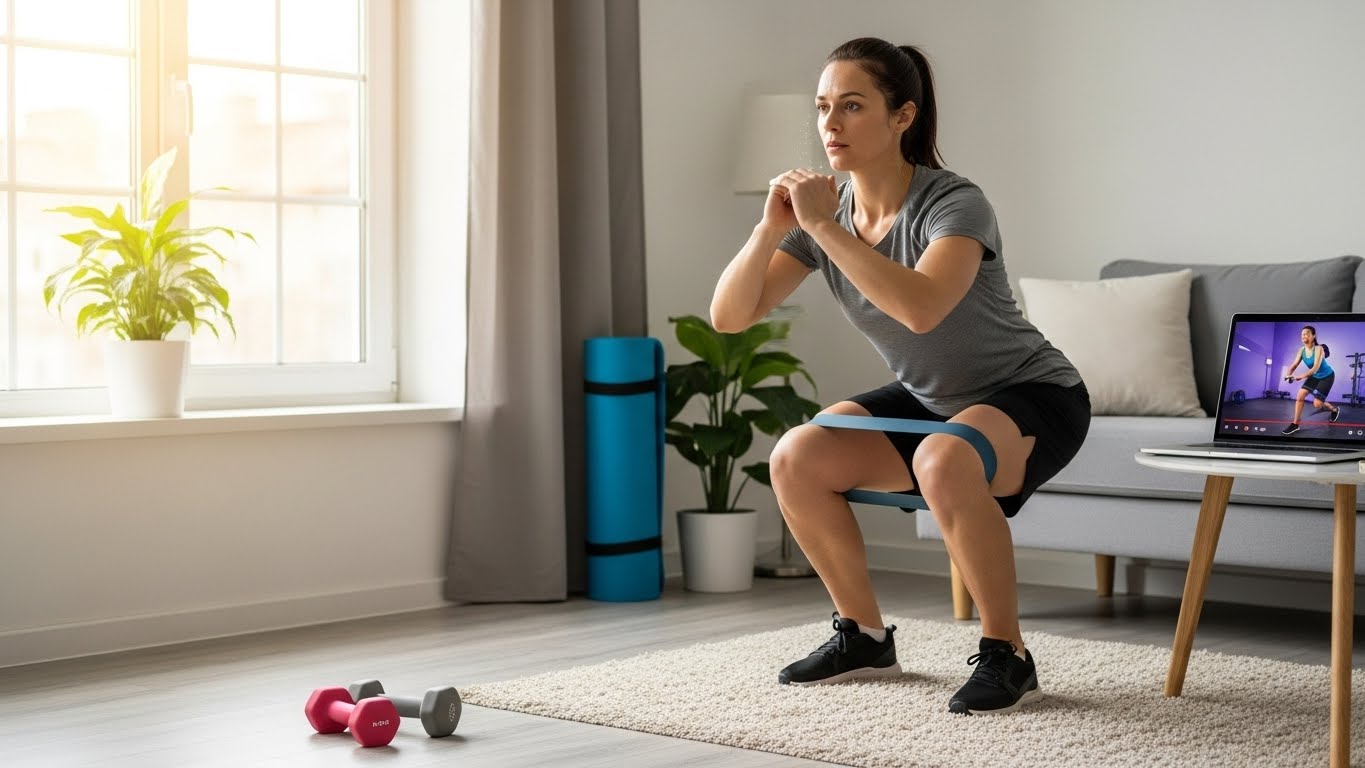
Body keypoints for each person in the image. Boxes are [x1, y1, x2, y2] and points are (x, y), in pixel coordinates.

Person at [709, 37, 1091, 716]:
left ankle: (1007, 653)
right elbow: (730, 317)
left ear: (901, 117)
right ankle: (862, 635)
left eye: (851, 106)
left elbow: (920, 309)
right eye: (823, 107)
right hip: (933, 398)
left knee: (944, 457)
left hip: (1034, 393)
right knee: (796, 455)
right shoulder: (822, 218)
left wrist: (825, 228)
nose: (830, 123)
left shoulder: (952, 203)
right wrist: (771, 228)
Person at [1281, 325, 1341, 435]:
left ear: (1313, 336)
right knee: (1300, 395)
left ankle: (1334, 410)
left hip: (1326, 376)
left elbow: (1315, 368)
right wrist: (1288, 374)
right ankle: (1295, 424)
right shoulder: (1302, 350)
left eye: (1307, 333)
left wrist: (1300, 376)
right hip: (1314, 376)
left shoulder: (1319, 348)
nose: (1304, 335)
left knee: (1317, 404)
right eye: (1302, 334)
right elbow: (1294, 364)